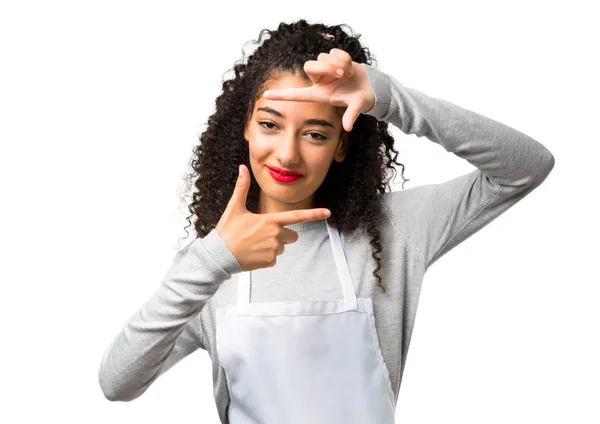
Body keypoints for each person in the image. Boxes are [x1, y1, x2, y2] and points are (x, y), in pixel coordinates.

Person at [98, 19, 555, 424]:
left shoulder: (393, 232)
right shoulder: (214, 262)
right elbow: (118, 383)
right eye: (270, 124)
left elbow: (526, 166)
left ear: (341, 145)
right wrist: (212, 259)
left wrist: (391, 99)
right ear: (245, 127)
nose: (288, 153)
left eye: (315, 133)